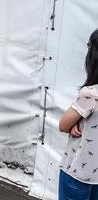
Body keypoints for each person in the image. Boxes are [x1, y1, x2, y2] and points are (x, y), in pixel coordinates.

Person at [58, 29, 98, 200]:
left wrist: (76, 121)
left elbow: (63, 125)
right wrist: (81, 121)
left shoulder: (90, 94)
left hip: (78, 173)